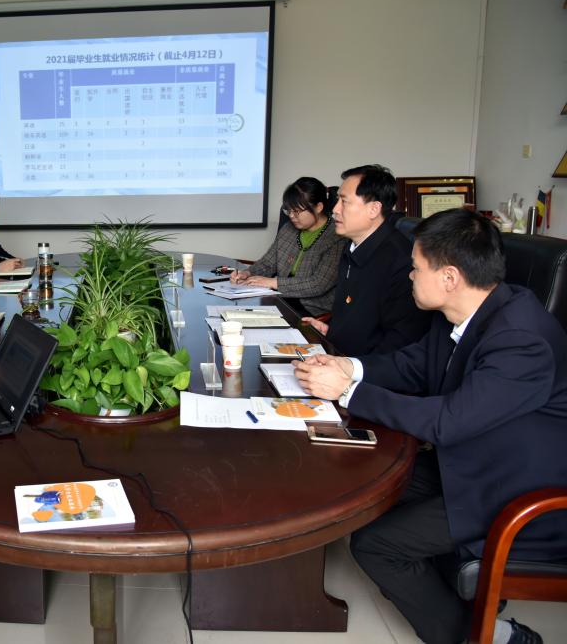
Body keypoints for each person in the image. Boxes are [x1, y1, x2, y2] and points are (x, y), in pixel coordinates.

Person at [294, 209, 567, 644]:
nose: (409, 276)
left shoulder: (522, 340)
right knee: (358, 483)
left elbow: (449, 421)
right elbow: (414, 365)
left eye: (416, 268)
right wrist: (349, 367)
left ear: (450, 277)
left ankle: (485, 637)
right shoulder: (468, 313)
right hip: (469, 462)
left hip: (510, 490)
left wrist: (348, 393)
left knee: (376, 545)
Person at [301, 164, 429, 355]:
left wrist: (348, 367)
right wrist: (330, 332)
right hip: (338, 355)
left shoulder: (401, 261)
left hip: (365, 368)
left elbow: (400, 343)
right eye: (337, 201)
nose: (335, 209)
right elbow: (356, 318)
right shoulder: (352, 246)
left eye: (344, 202)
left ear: (374, 209)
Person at [231, 177, 346, 316]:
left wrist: (273, 283)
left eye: (296, 211)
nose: (291, 216)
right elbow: (268, 263)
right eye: (288, 210)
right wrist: (248, 273)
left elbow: (318, 284)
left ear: (318, 207)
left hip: (311, 310)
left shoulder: (336, 236)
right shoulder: (288, 229)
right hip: (279, 298)